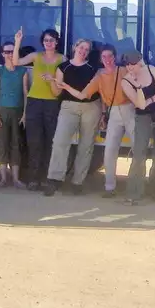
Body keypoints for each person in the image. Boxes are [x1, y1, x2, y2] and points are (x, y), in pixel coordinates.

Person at [56, 44, 133, 198]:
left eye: (110, 56)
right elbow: (82, 95)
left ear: (115, 57)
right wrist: (65, 86)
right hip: (115, 113)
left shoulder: (124, 71)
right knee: (110, 151)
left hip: (130, 109)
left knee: (138, 149)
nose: (107, 60)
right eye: (104, 57)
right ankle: (109, 187)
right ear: (100, 59)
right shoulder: (99, 77)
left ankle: (135, 188)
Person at [44, 39, 100, 196]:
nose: (83, 51)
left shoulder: (93, 68)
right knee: (60, 142)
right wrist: (51, 82)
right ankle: (54, 179)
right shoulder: (63, 67)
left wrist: (103, 113)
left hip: (91, 107)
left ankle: (77, 182)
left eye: (87, 49)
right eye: (81, 47)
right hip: (68, 106)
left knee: (86, 145)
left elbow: (96, 92)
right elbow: (57, 92)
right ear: (74, 47)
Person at [12, 27, 65, 191]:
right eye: (46, 40)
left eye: (51, 40)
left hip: (52, 102)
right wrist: (18, 42)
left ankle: (46, 179)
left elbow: (62, 83)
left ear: (56, 42)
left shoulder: (62, 59)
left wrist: (52, 80)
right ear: (42, 42)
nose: (48, 43)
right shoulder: (36, 56)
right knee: (34, 141)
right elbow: (16, 62)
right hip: (34, 101)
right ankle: (33, 179)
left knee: (50, 141)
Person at [120, 51, 155, 205]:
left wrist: (150, 100)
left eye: (133, 63)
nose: (130, 67)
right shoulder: (126, 82)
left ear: (140, 61)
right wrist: (138, 87)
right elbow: (139, 104)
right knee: (139, 154)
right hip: (142, 118)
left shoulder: (151, 70)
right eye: (127, 64)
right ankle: (134, 192)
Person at [0, 40, 27, 188]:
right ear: (2, 54)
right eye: (6, 52)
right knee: (2, 144)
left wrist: (25, 114)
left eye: (12, 52)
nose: (9, 55)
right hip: (2, 111)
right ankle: (3, 179)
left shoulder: (22, 71)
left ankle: (16, 179)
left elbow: (25, 94)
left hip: (17, 111)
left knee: (16, 144)